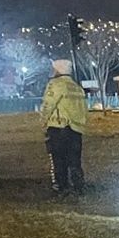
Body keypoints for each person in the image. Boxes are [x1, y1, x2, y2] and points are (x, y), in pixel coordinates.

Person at [40, 59, 88, 194]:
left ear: (58, 70)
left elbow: (48, 104)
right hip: (76, 129)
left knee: (58, 160)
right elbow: (84, 109)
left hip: (58, 128)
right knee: (74, 161)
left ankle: (61, 187)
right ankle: (78, 187)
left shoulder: (55, 84)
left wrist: (43, 121)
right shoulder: (77, 87)